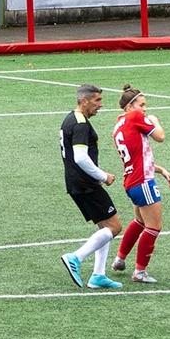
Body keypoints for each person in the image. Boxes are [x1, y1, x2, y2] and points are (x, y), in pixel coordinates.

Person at [58, 84, 124, 290]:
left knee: (104, 227)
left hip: (77, 182)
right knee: (114, 227)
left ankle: (98, 275)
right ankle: (75, 257)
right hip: (85, 183)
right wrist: (103, 176)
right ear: (84, 100)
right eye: (97, 101)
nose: (100, 105)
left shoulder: (70, 118)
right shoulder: (80, 124)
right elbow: (80, 158)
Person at [110, 85, 170, 284]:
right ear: (130, 106)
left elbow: (136, 157)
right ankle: (140, 272)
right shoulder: (135, 117)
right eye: (142, 105)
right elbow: (160, 137)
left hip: (132, 181)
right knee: (154, 226)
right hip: (143, 182)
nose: (144, 109)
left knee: (139, 222)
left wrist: (160, 169)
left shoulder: (118, 125)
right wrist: (155, 121)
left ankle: (119, 259)